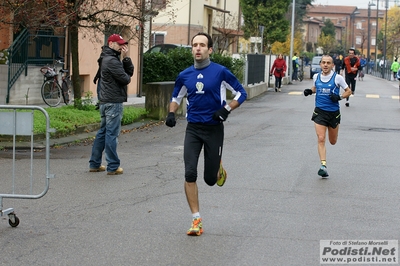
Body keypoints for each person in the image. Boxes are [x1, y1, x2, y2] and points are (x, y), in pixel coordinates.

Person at [165, 32, 247, 236]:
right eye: (195, 45)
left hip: (214, 128)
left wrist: (226, 109)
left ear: (210, 49)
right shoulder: (184, 75)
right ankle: (196, 220)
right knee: (189, 173)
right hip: (193, 129)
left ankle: (218, 166)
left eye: (202, 45)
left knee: (210, 179)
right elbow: (176, 96)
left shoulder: (220, 72)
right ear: (192, 49)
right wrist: (171, 113)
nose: (198, 48)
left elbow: (241, 93)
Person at [89, 34, 134, 175]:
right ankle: (113, 166)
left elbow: (128, 73)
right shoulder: (112, 61)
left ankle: (95, 164)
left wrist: (125, 58)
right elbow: (126, 78)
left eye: (123, 44)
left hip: (105, 101)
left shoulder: (106, 58)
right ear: (111, 44)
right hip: (113, 102)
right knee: (111, 134)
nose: (122, 46)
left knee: (103, 133)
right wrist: (124, 60)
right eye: (119, 44)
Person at [303, 55, 351, 178]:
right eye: (323, 63)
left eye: (328, 63)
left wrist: (339, 97)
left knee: (332, 141)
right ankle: (323, 166)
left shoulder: (338, 78)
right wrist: (310, 91)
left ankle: (324, 162)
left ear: (332, 65)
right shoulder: (316, 77)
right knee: (320, 138)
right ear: (320, 64)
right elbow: (315, 88)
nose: (325, 65)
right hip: (320, 112)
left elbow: (348, 91)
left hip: (333, 113)